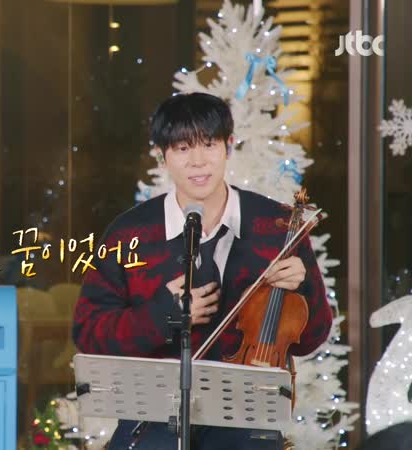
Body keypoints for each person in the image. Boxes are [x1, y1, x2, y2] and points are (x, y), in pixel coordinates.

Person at [72, 93, 332, 450]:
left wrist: (304, 288)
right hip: (154, 417)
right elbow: (89, 332)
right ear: (161, 155)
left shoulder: (277, 226)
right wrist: (166, 315)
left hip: (245, 418)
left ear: (229, 145)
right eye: (182, 148)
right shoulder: (129, 233)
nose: (197, 162)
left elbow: (313, 337)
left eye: (209, 145)